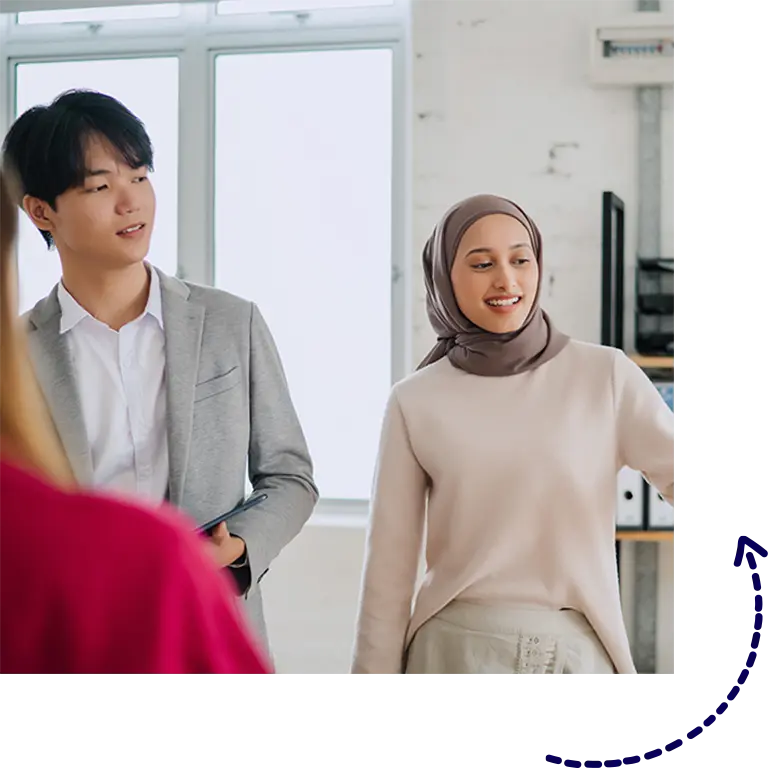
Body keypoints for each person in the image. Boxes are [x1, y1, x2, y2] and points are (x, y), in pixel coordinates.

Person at [1, 89, 318, 650]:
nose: (132, 202)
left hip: (207, 633)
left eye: (140, 176)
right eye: (100, 187)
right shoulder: (16, 356)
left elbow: (289, 475)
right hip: (76, 647)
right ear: (40, 210)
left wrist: (239, 548)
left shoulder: (230, 322)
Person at [351, 193, 677, 679]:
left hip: (578, 658)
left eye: (520, 259)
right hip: (451, 660)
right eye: (482, 263)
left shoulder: (604, 374)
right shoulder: (415, 400)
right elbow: (388, 571)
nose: (506, 279)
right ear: (444, 278)